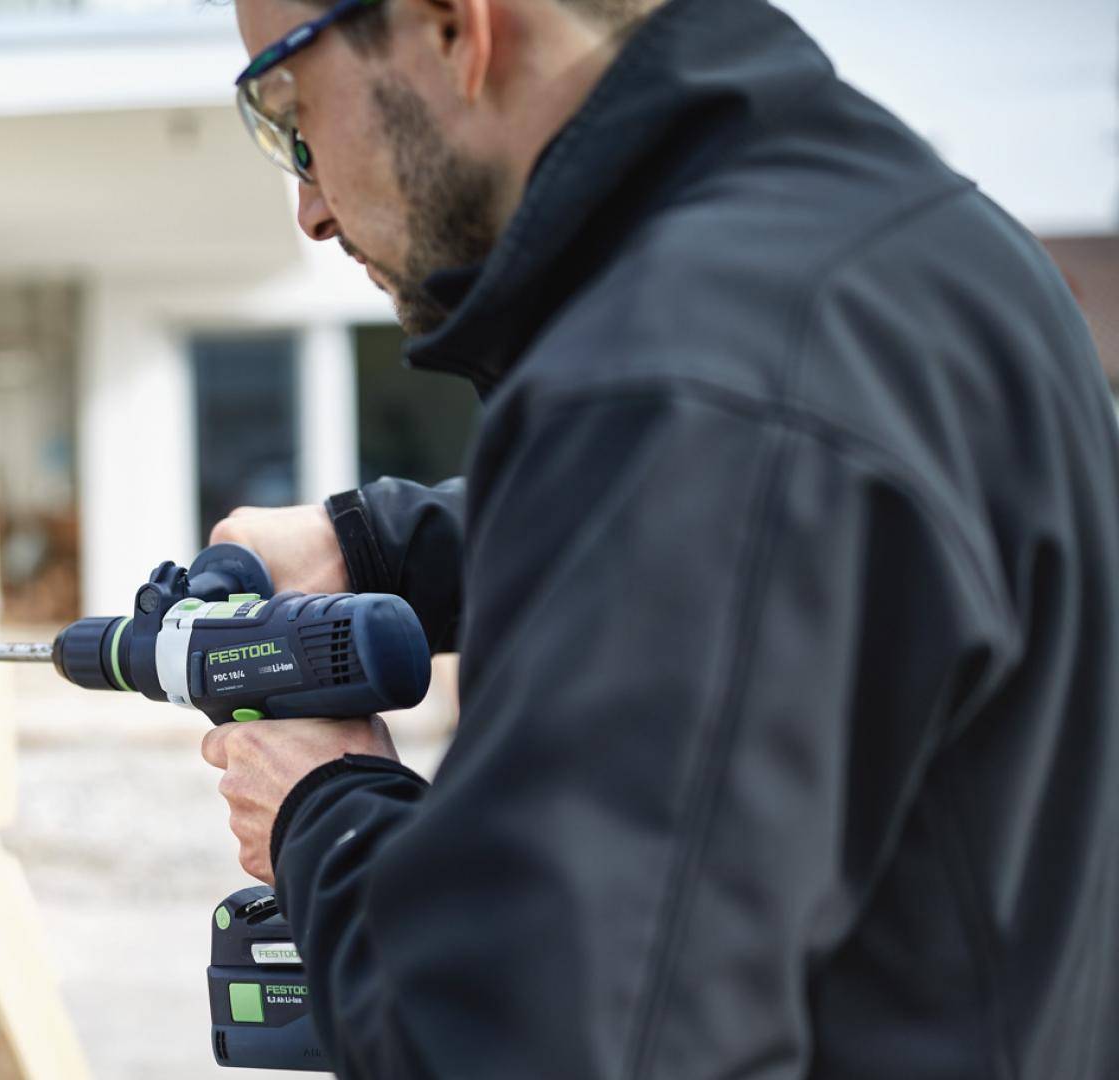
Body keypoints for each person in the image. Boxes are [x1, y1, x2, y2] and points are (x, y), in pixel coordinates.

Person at [199, 0, 1119, 1075]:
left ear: (453, 28)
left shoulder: (681, 385)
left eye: (290, 113)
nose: (307, 206)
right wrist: (379, 544)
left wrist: (325, 812)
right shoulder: (917, 252)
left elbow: (524, 1041)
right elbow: (806, 529)